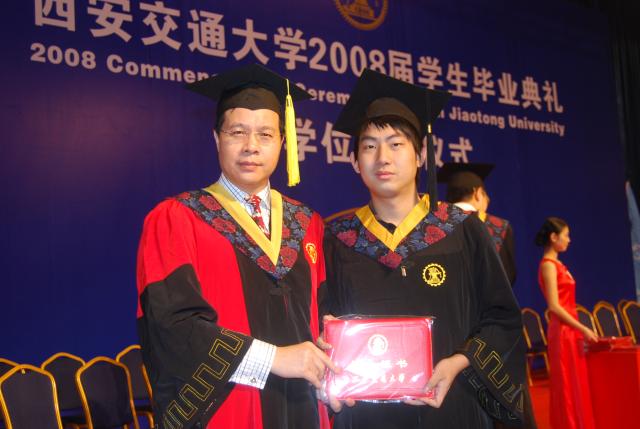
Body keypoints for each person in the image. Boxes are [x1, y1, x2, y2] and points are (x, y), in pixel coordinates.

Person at [320, 69, 527, 429]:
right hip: (367, 415)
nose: (383, 157)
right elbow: (319, 326)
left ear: (419, 156)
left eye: (396, 144)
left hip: (453, 408)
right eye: (369, 146)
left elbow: (502, 319)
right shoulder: (336, 239)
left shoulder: (461, 230)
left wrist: (459, 362)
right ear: (354, 163)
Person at [136, 64, 338, 429]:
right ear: (217, 138)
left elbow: (324, 319)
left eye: (265, 134)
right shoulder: (177, 219)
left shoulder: (308, 223)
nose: (251, 147)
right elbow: (171, 327)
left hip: (304, 410)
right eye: (237, 132)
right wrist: (273, 359)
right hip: (227, 411)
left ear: (283, 142)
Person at [536, 217, 597, 429]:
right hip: (562, 332)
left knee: (576, 383)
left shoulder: (559, 265)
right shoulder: (548, 266)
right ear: (554, 237)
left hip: (571, 330)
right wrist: (583, 328)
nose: (569, 240)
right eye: (566, 235)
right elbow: (554, 306)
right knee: (567, 385)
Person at [438, 162, 517, 285]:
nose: (488, 200)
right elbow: (507, 278)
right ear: (478, 193)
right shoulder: (499, 227)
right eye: (485, 195)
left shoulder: (432, 225)